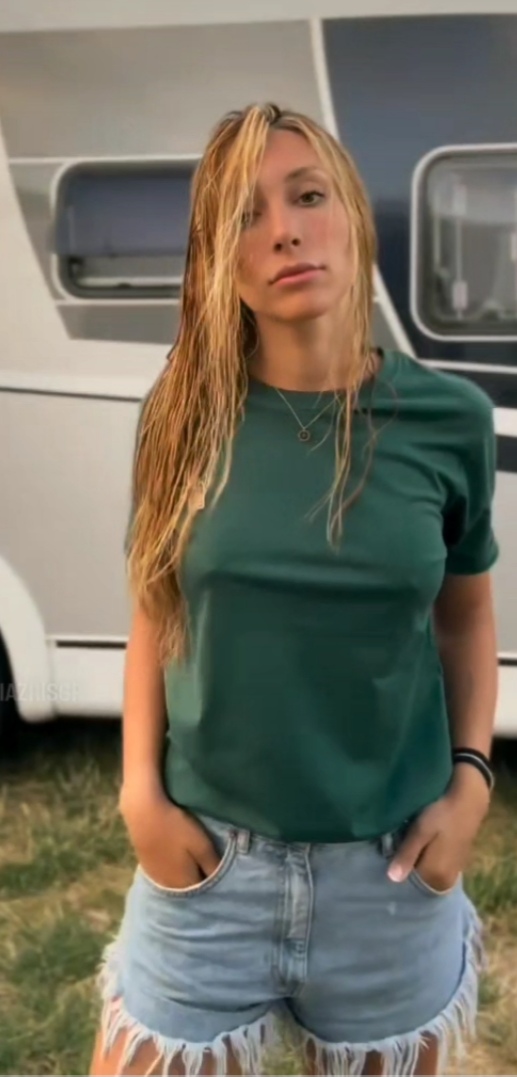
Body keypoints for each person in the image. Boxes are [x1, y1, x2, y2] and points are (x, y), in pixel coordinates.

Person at [89, 103, 499, 1077]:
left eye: (307, 196)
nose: (283, 230)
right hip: (207, 870)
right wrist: (140, 794)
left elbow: (465, 619)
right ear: (216, 259)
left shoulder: (449, 419)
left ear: (352, 214)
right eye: (245, 214)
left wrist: (471, 781)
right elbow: (156, 610)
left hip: (389, 875)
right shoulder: (181, 415)